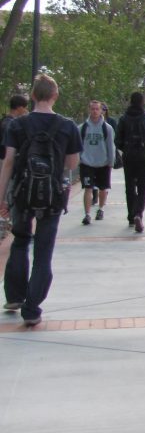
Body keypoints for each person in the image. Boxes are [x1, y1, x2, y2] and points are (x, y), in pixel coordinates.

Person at [0, 74, 81, 326]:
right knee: (44, 251)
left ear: (33, 95)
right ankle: (32, 308)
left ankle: (14, 295)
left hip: (23, 194)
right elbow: (72, 163)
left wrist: (2, 196)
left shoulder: (17, 125)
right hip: (53, 195)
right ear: (55, 96)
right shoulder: (67, 126)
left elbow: (8, 162)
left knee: (21, 242)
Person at [115, 92, 145, 233]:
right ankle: (138, 213)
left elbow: (117, 140)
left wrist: (126, 149)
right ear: (142, 102)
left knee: (130, 187)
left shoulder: (123, 119)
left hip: (128, 156)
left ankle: (131, 216)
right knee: (142, 187)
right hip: (143, 157)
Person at [79, 100, 116, 225]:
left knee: (103, 188)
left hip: (103, 162)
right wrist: (79, 159)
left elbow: (111, 146)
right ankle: (87, 214)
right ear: (89, 110)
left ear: (101, 111)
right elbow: (78, 146)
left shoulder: (107, 128)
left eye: (97, 109)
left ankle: (101, 209)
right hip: (87, 162)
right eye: (92, 109)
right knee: (88, 188)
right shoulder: (82, 128)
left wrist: (111, 161)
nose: (94, 111)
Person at [0, 94, 29, 162]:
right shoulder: (10, 124)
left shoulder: (5, 121)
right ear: (20, 108)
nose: (26, 111)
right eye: (25, 108)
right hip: (5, 161)